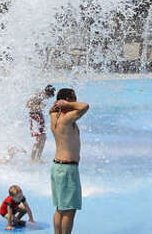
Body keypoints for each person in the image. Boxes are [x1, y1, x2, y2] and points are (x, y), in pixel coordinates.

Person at [50, 88, 89, 234]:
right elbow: (85, 106)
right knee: (69, 210)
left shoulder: (55, 116)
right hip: (67, 169)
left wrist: (60, 105)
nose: (76, 100)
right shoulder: (66, 119)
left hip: (57, 167)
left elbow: (52, 110)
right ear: (67, 99)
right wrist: (67, 104)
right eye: (74, 98)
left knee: (60, 208)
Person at [27, 84, 56, 162]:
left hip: (39, 116)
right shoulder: (37, 95)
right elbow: (28, 105)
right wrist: (39, 107)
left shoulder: (41, 95)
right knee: (39, 139)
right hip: (34, 117)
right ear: (47, 93)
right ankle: (33, 159)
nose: (49, 98)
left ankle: (38, 158)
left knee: (43, 138)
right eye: (49, 96)